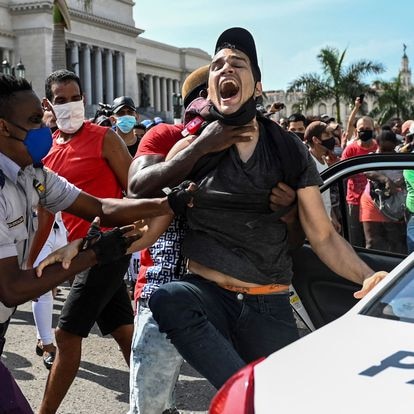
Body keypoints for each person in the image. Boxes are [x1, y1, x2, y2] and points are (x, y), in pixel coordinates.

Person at [144, 27, 387, 391]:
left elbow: (322, 236)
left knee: (282, 398)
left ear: (257, 86)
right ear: (209, 87)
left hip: (267, 303)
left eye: (237, 64)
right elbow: (152, 221)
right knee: (168, 299)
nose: (226, 70)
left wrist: (368, 277)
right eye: (217, 66)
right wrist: (90, 247)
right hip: (206, 297)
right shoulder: (190, 151)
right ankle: (245, 395)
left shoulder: (289, 150)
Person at [0, 74, 182, 412]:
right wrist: (38, 262)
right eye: (35, 120)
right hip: (92, 253)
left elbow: (106, 204)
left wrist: (165, 205)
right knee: (122, 329)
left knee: (68, 335)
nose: (43, 127)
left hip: (104, 249)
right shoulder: (40, 160)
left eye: (75, 97)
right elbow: (13, 282)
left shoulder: (66, 156)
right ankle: (156, 403)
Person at [128, 64, 298, 413]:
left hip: (223, 292)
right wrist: (198, 147)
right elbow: (139, 189)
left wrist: (288, 206)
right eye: (203, 97)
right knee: (149, 401)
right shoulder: (167, 137)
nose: (212, 105)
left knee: (247, 394)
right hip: (162, 285)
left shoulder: (247, 147)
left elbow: (283, 231)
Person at [359, 130, 406, 253]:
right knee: (372, 242)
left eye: (390, 150)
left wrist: (400, 182)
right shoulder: (372, 156)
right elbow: (367, 171)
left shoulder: (401, 157)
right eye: (384, 149)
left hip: (394, 204)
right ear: (378, 144)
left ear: (395, 145)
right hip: (372, 203)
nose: (387, 153)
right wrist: (385, 179)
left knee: (395, 242)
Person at [341, 116, 378, 247]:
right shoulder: (350, 150)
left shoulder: (378, 148)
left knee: (372, 240)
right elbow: (342, 172)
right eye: (361, 129)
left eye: (368, 129)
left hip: (374, 202)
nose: (364, 131)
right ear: (356, 131)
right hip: (354, 201)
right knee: (355, 239)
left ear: (374, 130)